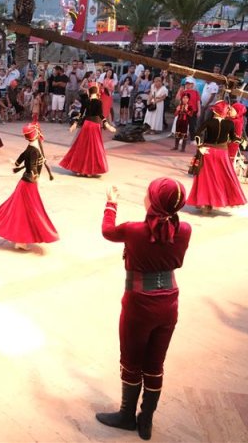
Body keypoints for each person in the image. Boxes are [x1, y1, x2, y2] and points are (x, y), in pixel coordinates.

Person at [96, 178, 192, 441]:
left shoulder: (134, 231)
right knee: (155, 364)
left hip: (139, 303)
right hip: (169, 303)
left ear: (154, 201)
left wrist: (111, 203)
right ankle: (146, 420)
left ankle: (127, 416)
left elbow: (107, 231)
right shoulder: (184, 229)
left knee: (131, 361)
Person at [0, 122, 58, 251]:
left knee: (23, 211)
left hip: (26, 183)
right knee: (30, 211)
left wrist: (16, 164)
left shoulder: (31, 147)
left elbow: (22, 158)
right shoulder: (33, 149)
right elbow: (33, 164)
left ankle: (21, 239)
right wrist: (34, 174)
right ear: (36, 134)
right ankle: (21, 240)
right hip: (29, 184)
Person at [186, 101, 248, 214]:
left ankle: (205, 202)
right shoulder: (230, 124)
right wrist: (243, 141)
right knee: (222, 178)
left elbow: (196, 134)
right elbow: (234, 139)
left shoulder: (208, 122)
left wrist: (200, 147)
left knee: (206, 179)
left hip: (208, 152)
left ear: (215, 111)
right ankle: (219, 200)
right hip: (222, 154)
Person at [60, 86, 117, 177]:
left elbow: (80, 114)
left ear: (89, 93)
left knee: (82, 148)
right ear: (96, 93)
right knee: (93, 149)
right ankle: (89, 171)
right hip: (94, 126)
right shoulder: (99, 102)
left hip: (86, 125)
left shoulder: (86, 102)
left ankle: (79, 169)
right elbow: (101, 115)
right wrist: (107, 125)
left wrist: (75, 124)